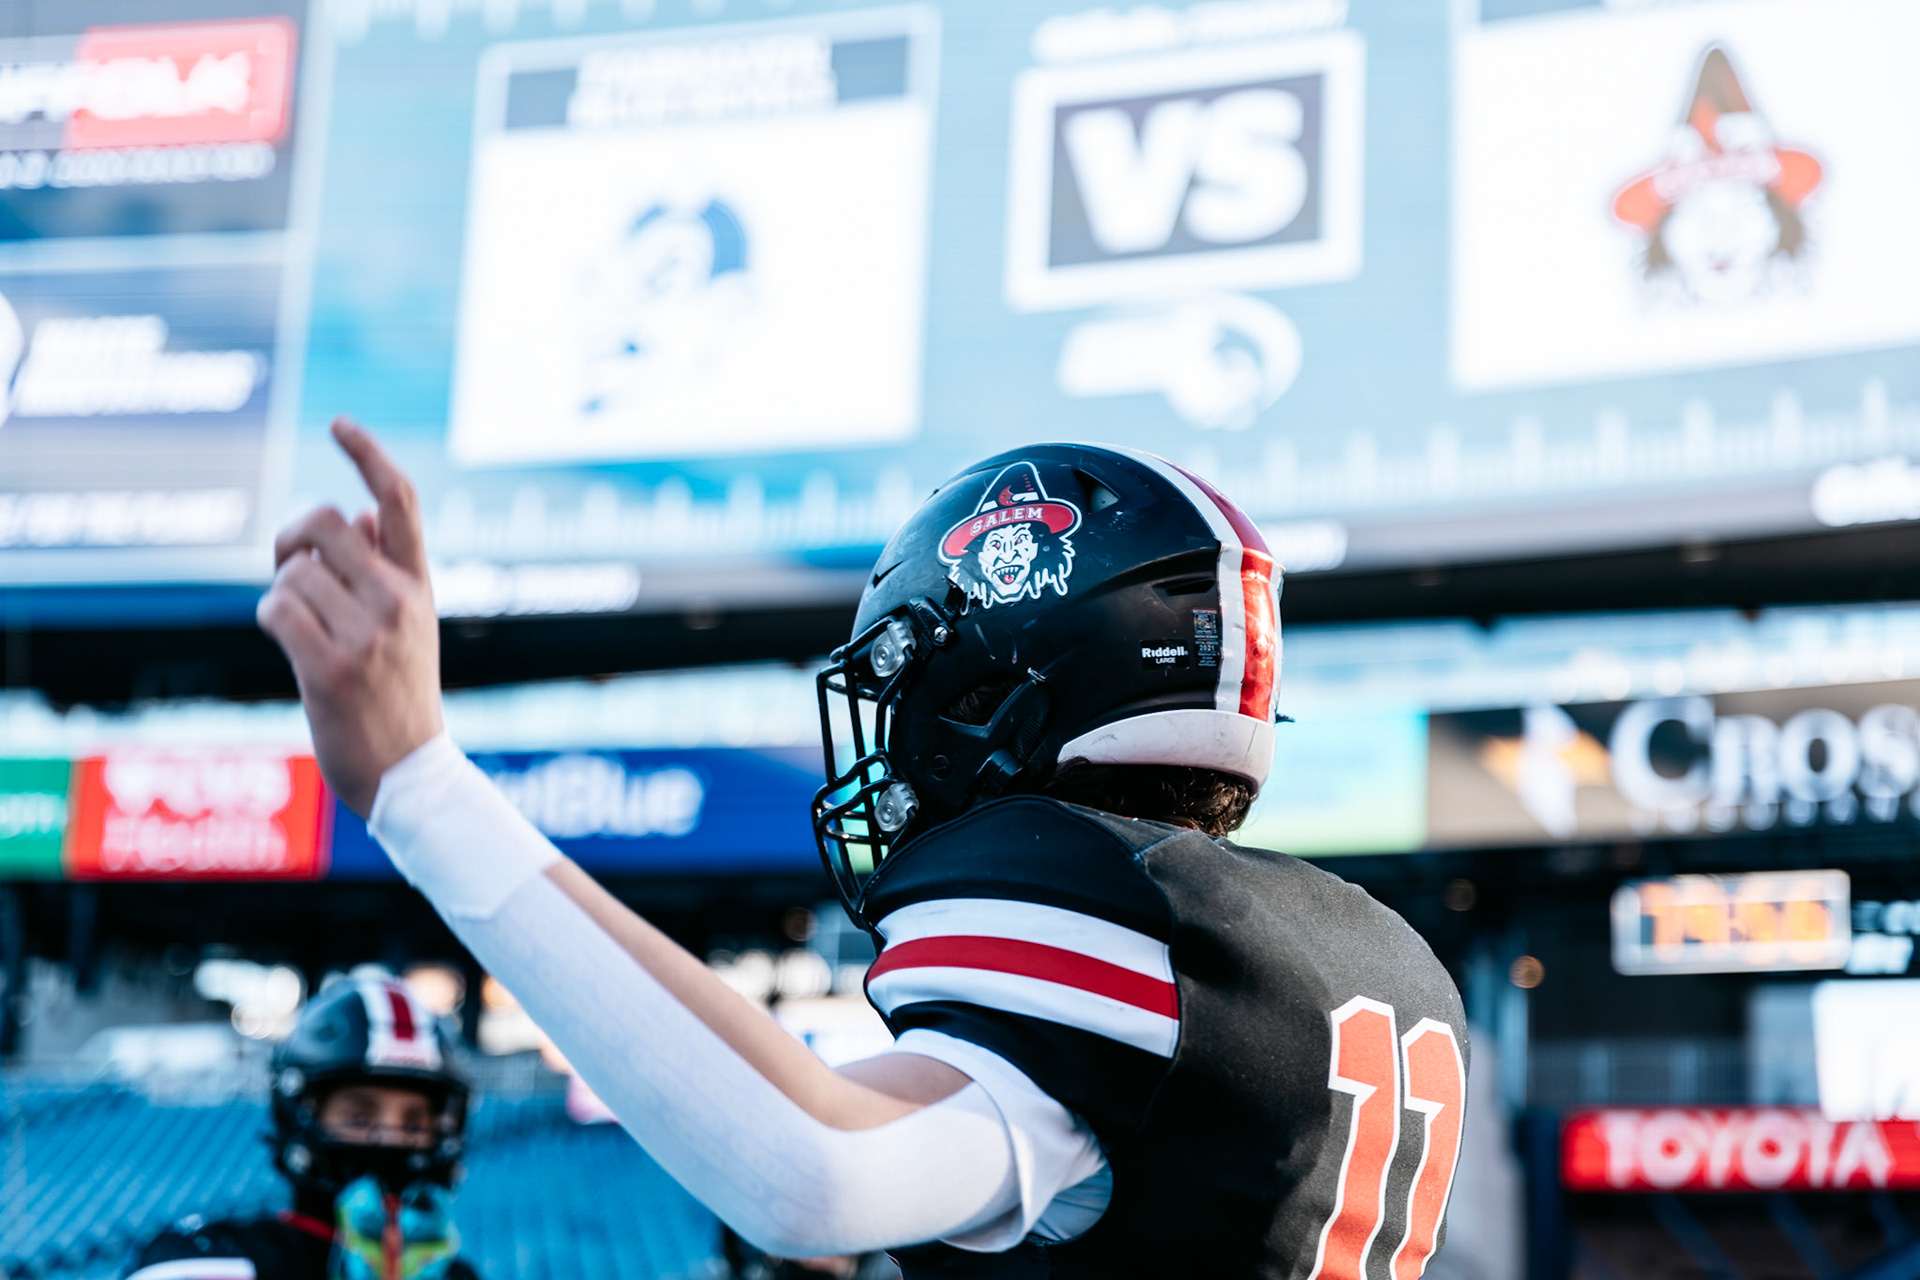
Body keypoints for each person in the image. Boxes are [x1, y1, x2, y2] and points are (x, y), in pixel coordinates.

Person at [259, 423, 1468, 1278]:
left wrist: (418, 784)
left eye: (906, 690)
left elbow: (816, 1169)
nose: (890, 747)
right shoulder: (1370, 961)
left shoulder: (1120, 920)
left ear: (996, 693)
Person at [127, 973, 482, 1280]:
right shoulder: (215, 1258)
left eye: (414, 1123)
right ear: (301, 1114)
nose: (390, 1139)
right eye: (360, 1118)